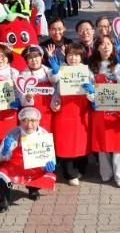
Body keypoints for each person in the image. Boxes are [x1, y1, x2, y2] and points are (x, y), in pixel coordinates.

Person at [0, 107, 56, 213]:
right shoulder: (13, 133)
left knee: (42, 172)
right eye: (25, 120)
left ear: (38, 122)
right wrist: (5, 151)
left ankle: (33, 189)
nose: (29, 124)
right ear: (20, 122)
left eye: (33, 120)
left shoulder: (43, 134)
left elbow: (49, 155)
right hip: (14, 164)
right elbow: (0, 157)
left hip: (34, 165)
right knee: (1, 175)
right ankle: (4, 199)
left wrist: (48, 165)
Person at [90, 37, 120, 187]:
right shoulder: (92, 67)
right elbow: (87, 86)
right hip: (99, 110)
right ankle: (106, 173)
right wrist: (92, 96)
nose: (106, 47)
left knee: (119, 144)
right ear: (97, 48)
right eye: (102, 44)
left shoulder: (118, 64)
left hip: (116, 110)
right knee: (102, 143)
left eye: (109, 44)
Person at [50, 43, 93, 185]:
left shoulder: (87, 71)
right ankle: (69, 173)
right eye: (70, 55)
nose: (73, 58)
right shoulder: (61, 70)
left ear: (82, 57)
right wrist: (55, 102)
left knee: (81, 141)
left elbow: (94, 91)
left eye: (76, 55)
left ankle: (81, 168)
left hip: (81, 111)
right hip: (64, 111)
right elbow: (54, 88)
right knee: (66, 142)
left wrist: (92, 91)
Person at [19, 45, 55, 131]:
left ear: (41, 57)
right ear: (26, 60)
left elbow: (57, 88)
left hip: (49, 109)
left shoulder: (49, 71)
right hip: (32, 113)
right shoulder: (23, 76)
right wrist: (27, 98)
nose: (34, 60)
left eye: (36, 56)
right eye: (30, 57)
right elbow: (21, 98)